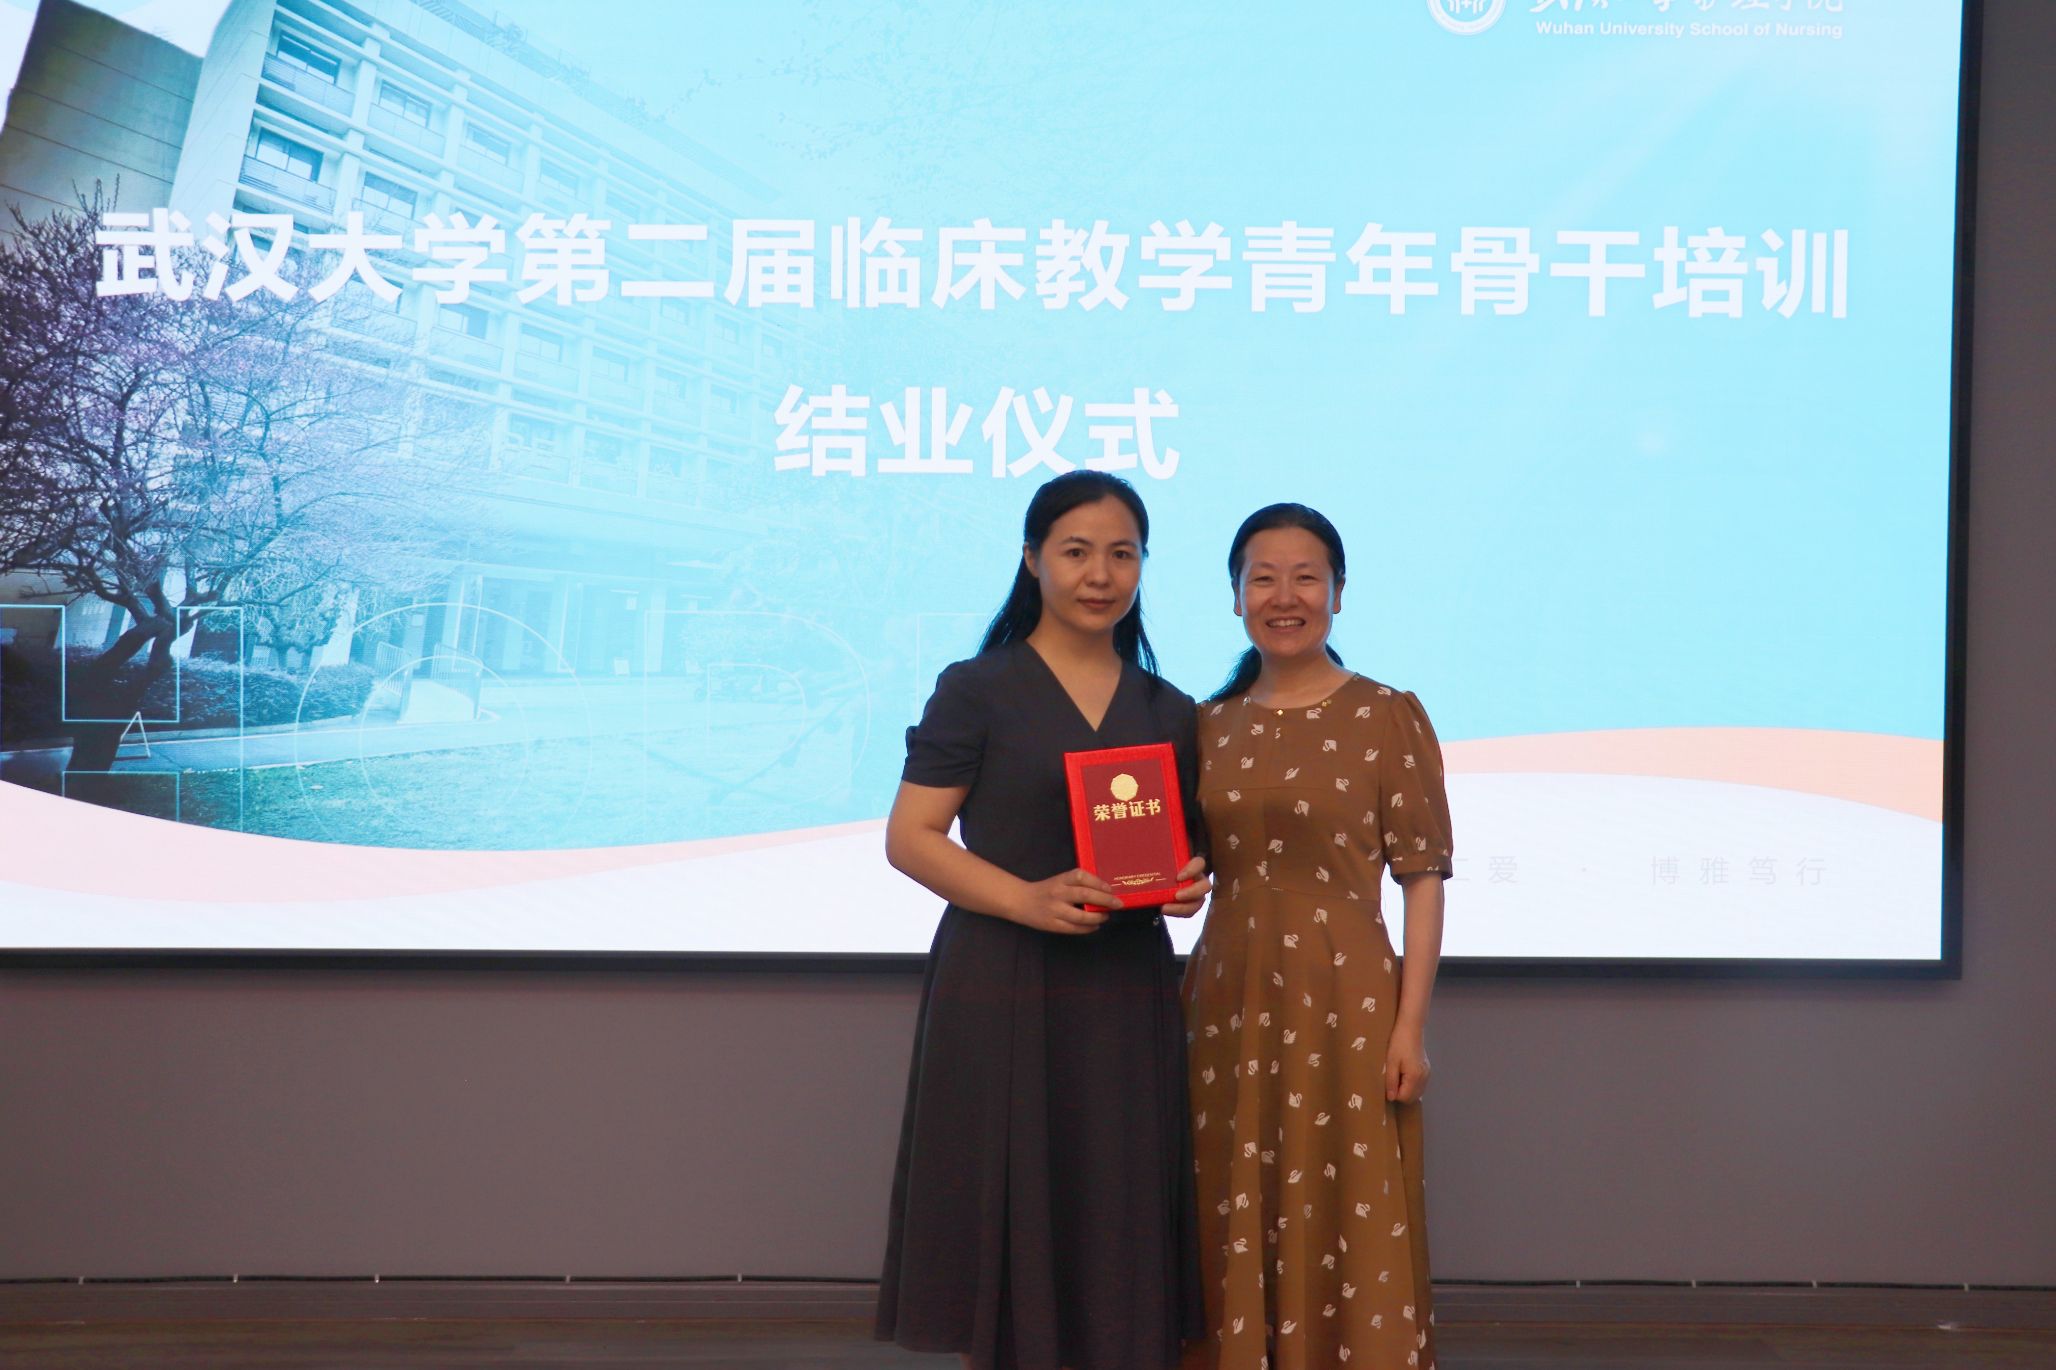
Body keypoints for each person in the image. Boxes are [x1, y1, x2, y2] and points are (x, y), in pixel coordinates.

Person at [877, 470, 1213, 1370]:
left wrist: (1188, 884)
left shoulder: (1171, 710)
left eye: (1122, 555)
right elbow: (910, 838)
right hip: (1001, 979)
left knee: (1118, 1198)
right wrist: (1025, 898)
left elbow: (1186, 852)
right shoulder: (976, 688)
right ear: (1032, 561)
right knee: (1009, 1196)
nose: (1100, 574)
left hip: (1125, 988)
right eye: (1075, 552)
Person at [1181, 504, 1453, 1370]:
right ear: (1235, 597)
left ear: (1339, 592)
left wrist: (1411, 1025)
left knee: (1349, 1199)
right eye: (1262, 578)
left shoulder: (1386, 713)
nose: (1284, 596)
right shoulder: (1205, 725)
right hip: (1225, 999)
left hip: (1349, 1001)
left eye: (1306, 577)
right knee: (1228, 1192)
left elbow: (1422, 878)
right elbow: (1188, 867)